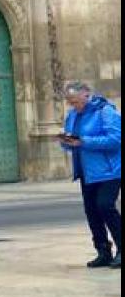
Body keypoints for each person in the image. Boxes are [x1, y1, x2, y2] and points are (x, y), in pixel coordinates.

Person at [59, 81, 122, 269]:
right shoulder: (72, 116)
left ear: (87, 95)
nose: (73, 105)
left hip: (109, 171)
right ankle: (103, 251)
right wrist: (66, 141)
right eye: (70, 102)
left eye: (76, 101)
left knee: (105, 206)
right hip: (86, 172)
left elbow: (115, 139)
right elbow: (71, 141)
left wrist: (83, 141)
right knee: (92, 212)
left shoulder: (105, 112)